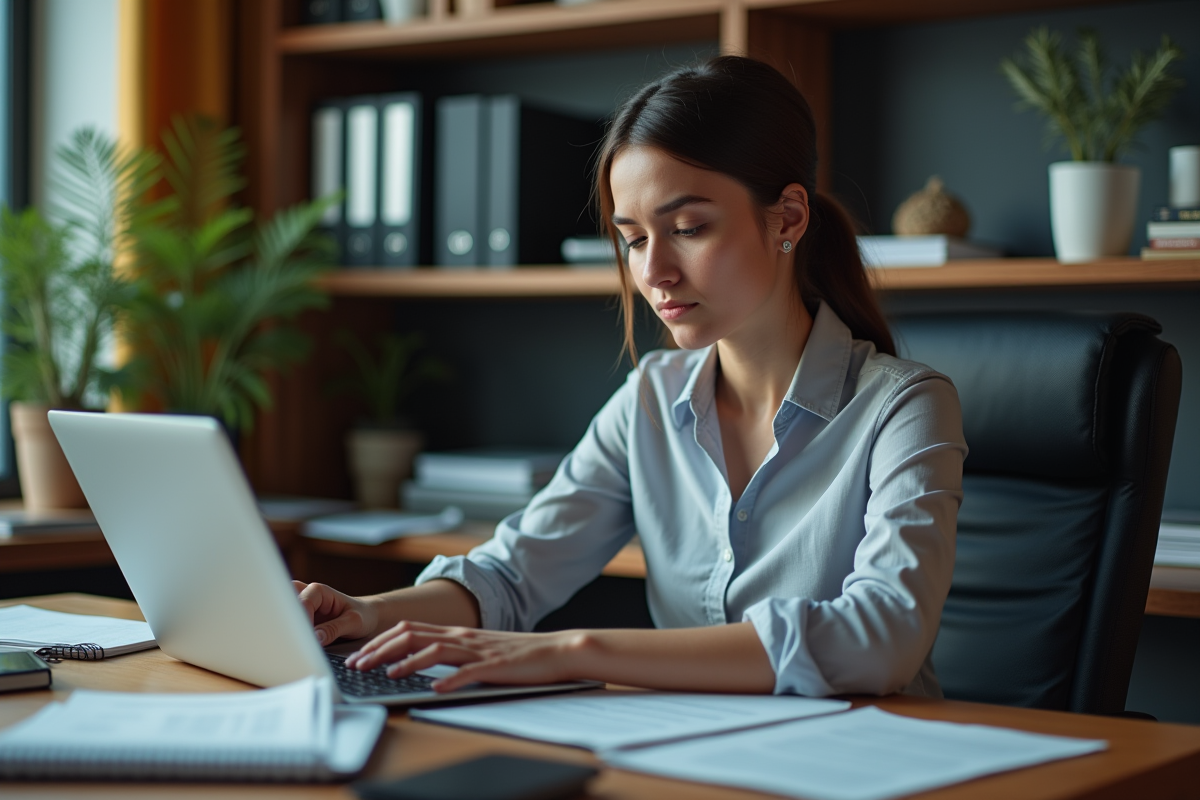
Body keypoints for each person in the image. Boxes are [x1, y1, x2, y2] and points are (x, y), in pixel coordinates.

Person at [295, 56, 967, 698]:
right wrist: (369, 612)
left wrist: (571, 653)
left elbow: (883, 636)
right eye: (635, 238)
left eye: (689, 228)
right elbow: (512, 573)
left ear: (787, 218)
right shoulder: (652, 396)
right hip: (696, 751)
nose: (654, 273)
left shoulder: (905, 407)